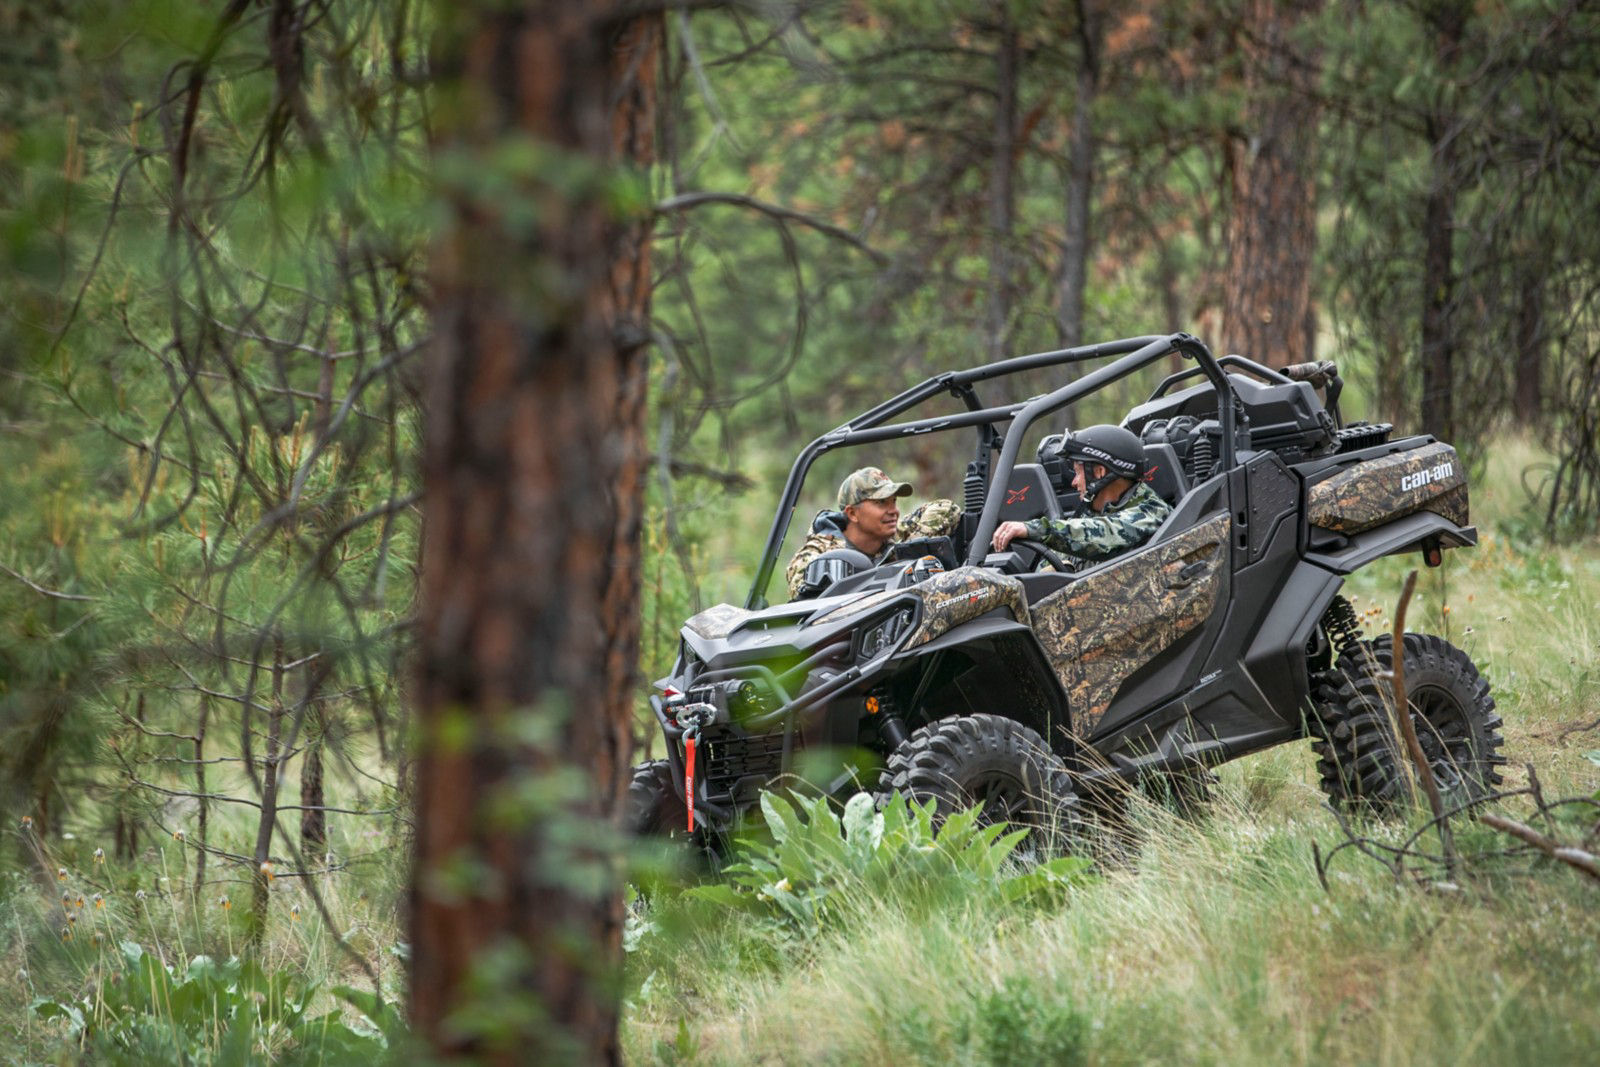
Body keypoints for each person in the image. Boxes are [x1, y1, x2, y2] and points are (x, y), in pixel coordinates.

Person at [991, 425, 1171, 562]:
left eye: (1078, 473)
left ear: (1100, 472)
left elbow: (1102, 533)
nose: (1074, 482)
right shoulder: (1092, 512)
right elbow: (1056, 558)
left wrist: (1034, 529)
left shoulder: (1151, 512)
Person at [785, 467, 960, 597]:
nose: (894, 510)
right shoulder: (819, 550)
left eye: (894, 501)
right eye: (881, 502)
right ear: (852, 513)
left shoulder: (897, 537)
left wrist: (907, 545)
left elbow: (946, 509)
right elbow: (801, 582)